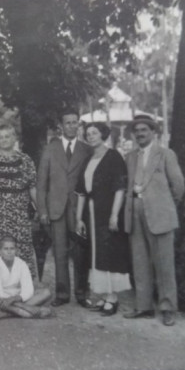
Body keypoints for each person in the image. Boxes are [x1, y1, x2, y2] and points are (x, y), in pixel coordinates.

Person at [122, 115, 185, 326]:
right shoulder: (130, 157)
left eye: (144, 130)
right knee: (139, 262)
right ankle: (144, 306)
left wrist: (164, 205)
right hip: (135, 213)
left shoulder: (165, 154)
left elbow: (178, 186)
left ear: (153, 132)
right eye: (137, 131)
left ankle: (168, 308)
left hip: (159, 214)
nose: (140, 133)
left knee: (164, 264)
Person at [36, 109, 93, 307]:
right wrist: (42, 210)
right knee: (59, 251)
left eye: (74, 122)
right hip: (56, 208)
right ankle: (62, 294)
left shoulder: (87, 149)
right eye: (67, 122)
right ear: (61, 126)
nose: (71, 126)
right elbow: (41, 183)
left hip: (79, 210)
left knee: (80, 252)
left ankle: (81, 293)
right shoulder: (50, 149)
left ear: (79, 125)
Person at [74, 122, 131, 317]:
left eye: (94, 133)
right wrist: (78, 219)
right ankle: (104, 295)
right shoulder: (88, 159)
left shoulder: (113, 156)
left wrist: (115, 214)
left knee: (110, 252)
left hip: (108, 211)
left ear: (103, 135)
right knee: (96, 253)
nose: (90, 136)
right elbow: (81, 192)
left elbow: (120, 188)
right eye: (88, 133)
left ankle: (113, 297)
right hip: (90, 213)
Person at [0, 123, 38, 281]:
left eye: (7, 136)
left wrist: (39, 208)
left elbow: (32, 186)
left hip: (20, 212)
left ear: (14, 138)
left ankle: (23, 286)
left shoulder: (25, 160)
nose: (4, 140)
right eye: (1, 137)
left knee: (22, 247)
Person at [0, 236, 53, 319]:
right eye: (6, 249)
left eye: (12, 249)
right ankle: (25, 311)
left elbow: (28, 289)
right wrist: (17, 303)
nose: (9, 252)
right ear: (0, 251)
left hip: (16, 297)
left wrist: (15, 298)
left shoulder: (21, 264)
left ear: (16, 250)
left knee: (46, 292)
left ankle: (7, 313)